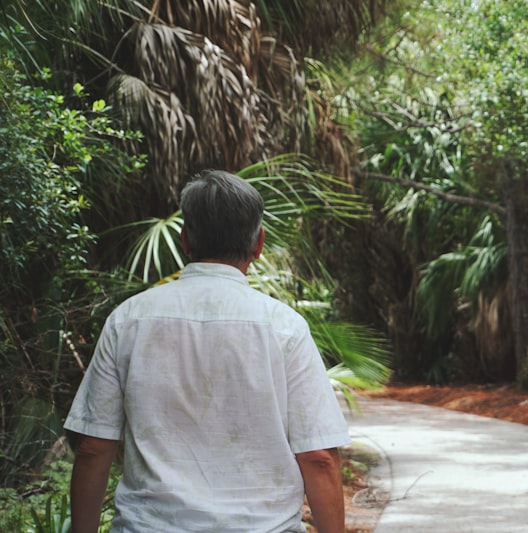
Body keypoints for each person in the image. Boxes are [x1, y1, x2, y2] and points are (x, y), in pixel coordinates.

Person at [64, 170, 351, 532]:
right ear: (258, 244)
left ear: (185, 240)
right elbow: (319, 457)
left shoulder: (128, 320)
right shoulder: (284, 328)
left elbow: (93, 447)